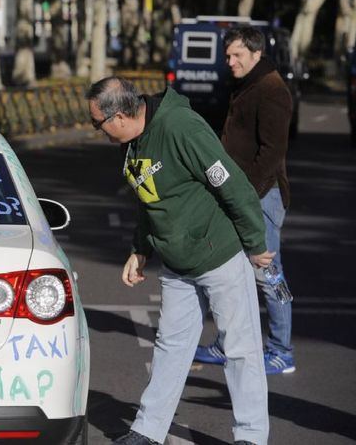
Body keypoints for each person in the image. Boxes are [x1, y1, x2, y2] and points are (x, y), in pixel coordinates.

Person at [86, 77, 272, 445]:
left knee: (239, 348)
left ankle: (251, 436)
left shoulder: (181, 127)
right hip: (177, 262)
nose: (97, 131)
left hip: (217, 253)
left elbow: (231, 183)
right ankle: (148, 430)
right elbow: (147, 197)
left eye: (97, 124)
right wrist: (140, 249)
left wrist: (254, 243)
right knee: (170, 346)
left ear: (120, 115)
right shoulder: (135, 141)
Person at [194, 26, 296, 375]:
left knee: (270, 274)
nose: (230, 62)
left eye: (237, 55)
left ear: (256, 53)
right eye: (227, 56)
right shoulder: (250, 84)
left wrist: (244, 194)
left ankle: (282, 350)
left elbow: (272, 153)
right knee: (234, 272)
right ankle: (228, 343)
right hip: (243, 195)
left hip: (261, 197)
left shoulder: (271, 90)